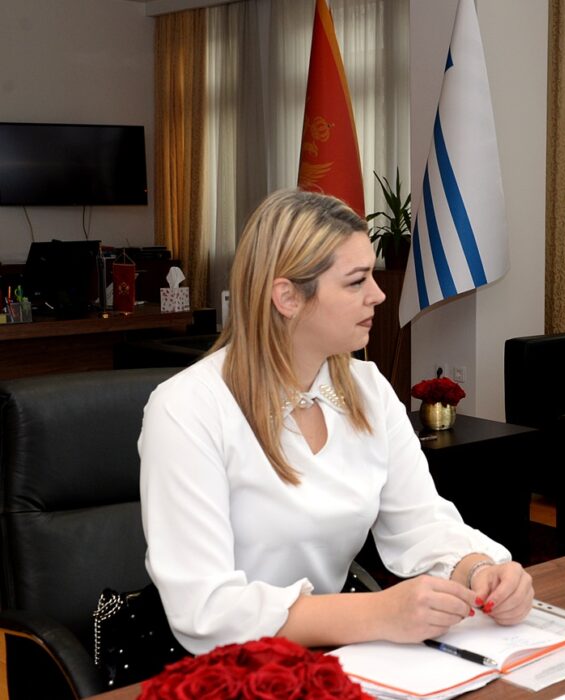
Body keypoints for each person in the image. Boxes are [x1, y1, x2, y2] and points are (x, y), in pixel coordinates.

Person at [140, 189, 533, 654]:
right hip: (212, 659)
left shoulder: (368, 389)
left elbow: (420, 523)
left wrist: (480, 570)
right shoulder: (187, 408)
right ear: (287, 297)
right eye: (356, 281)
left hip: (330, 643)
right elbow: (207, 610)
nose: (379, 294)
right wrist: (379, 613)